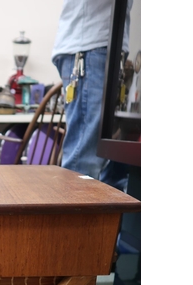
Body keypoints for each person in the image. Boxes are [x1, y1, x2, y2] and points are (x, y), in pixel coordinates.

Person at [51, 0, 133, 191]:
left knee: (105, 161)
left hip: (103, 46)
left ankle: (92, 220)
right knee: (84, 161)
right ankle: (75, 220)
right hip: (92, 46)